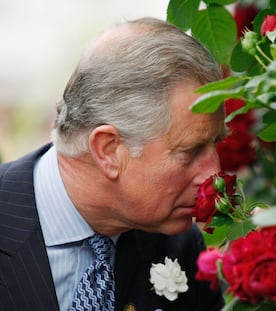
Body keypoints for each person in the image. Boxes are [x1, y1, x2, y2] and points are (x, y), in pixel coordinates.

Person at [0, 17, 225, 311]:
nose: (214, 173)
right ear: (108, 149)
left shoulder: (180, 245)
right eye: (190, 151)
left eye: (215, 144)